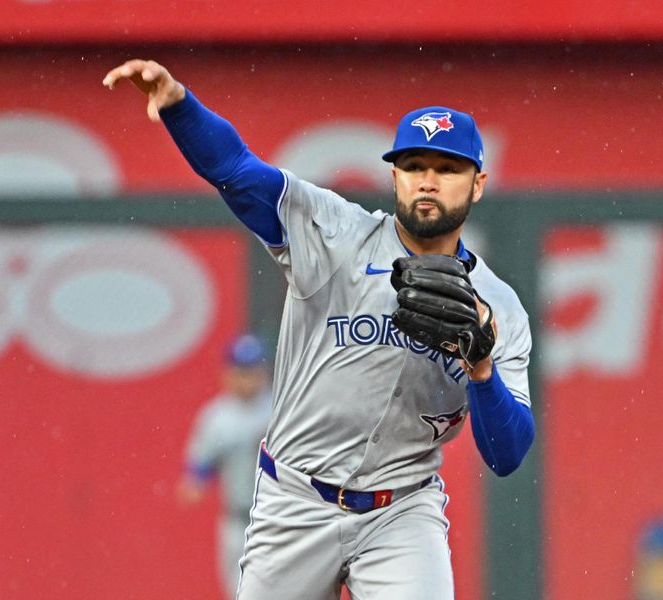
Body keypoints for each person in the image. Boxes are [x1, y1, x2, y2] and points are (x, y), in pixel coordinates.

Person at [103, 59, 535, 600]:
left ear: (477, 185)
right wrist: (178, 105)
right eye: (414, 165)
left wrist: (482, 369)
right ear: (394, 176)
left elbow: (508, 453)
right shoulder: (336, 234)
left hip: (401, 511)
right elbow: (237, 171)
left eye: (448, 169)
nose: (428, 180)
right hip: (295, 501)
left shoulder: (500, 307)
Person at [176, 334, 272, 598]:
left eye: (252, 369)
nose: (247, 377)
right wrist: (195, 482)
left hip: (281, 515)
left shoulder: (280, 408)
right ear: (227, 373)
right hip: (239, 520)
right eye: (241, 370)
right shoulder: (216, 417)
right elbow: (199, 468)